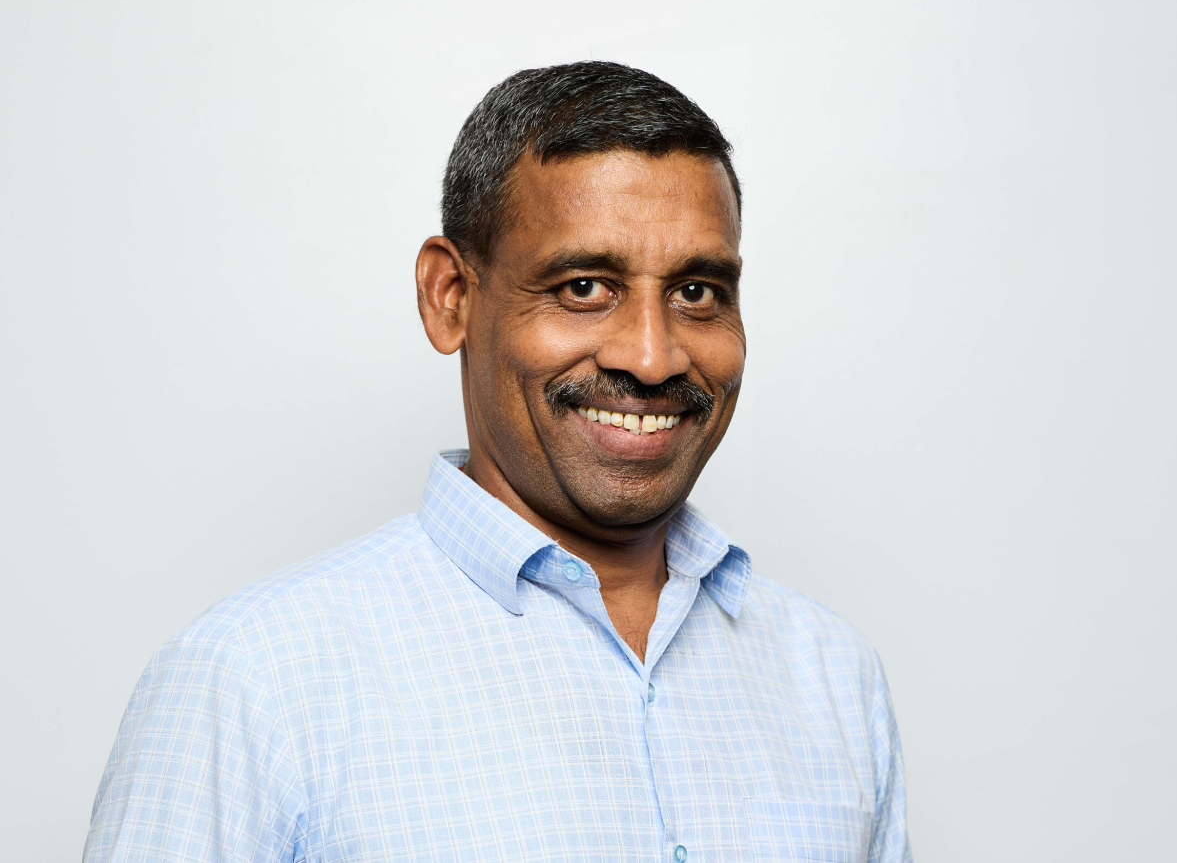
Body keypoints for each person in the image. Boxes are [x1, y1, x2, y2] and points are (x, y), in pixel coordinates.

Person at [85, 61, 911, 863]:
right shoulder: (253, 682)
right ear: (450, 297)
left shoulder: (834, 677)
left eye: (696, 292)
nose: (652, 357)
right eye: (583, 287)